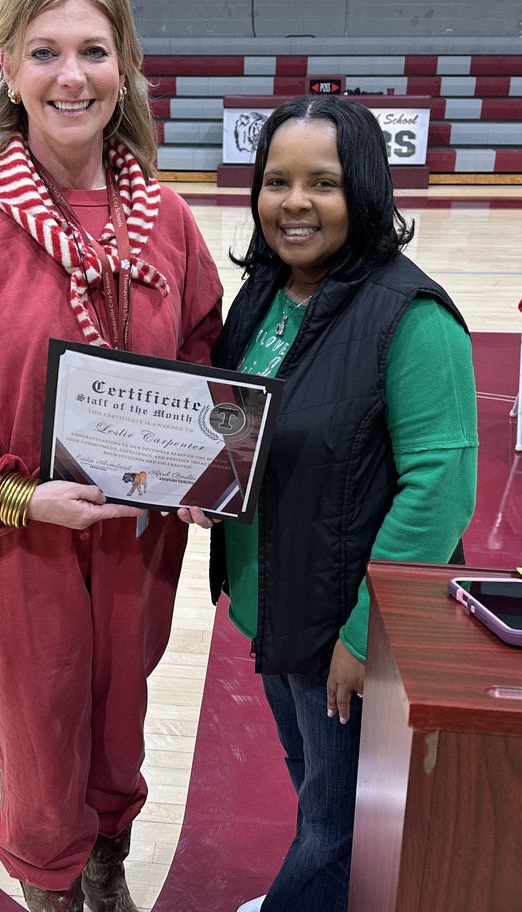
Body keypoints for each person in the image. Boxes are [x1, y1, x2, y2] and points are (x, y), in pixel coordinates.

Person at [0, 0, 222, 912]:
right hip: (15, 545)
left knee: (116, 728)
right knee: (39, 747)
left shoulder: (167, 223)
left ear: (126, 66)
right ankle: (51, 887)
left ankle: (105, 869)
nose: (72, 76)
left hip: (133, 542)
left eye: (94, 51)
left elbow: (201, 356)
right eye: (44, 52)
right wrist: (19, 494)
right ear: (8, 68)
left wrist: (205, 469)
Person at [208, 95, 478, 912]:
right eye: (276, 181)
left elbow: (439, 493)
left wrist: (364, 638)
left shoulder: (411, 318)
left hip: (346, 627)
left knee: (338, 826)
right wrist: (203, 486)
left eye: (321, 183)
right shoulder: (263, 294)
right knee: (314, 784)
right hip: (276, 604)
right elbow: (240, 425)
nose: (294, 203)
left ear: (363, 189)